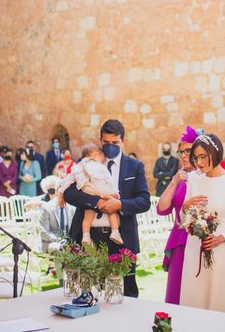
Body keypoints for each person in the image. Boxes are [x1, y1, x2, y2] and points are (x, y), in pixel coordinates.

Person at [64, 119, 151, 297]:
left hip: (122, 238)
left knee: (125, 295)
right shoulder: (86, 163)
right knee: (88, 293)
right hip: (90, 238)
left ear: (123, 141)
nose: (110, 147)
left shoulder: (134, 166)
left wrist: (120, 204)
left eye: (115, 143)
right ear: (100, 139)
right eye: (106, 143)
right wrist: (96, 201)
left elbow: (144, 200)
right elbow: (69, 193)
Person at [179, 133, 225, 313]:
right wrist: (185, 206)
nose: (199, 162)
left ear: (215, 152)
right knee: (193, 297)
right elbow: (183, 216)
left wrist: (221, 237)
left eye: (203, 156)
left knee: (216, 299)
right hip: (194, 248)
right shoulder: (193, 178)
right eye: (195, 158)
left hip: (220, 250)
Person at [157, 125, 201, 304]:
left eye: (188, 151)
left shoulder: (206, 178)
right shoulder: (180, 180)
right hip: (179, 241)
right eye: (180, 151)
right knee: (177, 290)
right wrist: (174, 181)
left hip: (199, 241)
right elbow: (161, 208)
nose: (183, 155)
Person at [68, 143, 123, 246]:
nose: (103, 159)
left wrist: (61, 191)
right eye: (101, 157)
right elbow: (108, 179)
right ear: (94, 154)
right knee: (112, 213)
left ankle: (86, 236)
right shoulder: (100, 166)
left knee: (87, 217)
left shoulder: (78, 166)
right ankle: (115, 232)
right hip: (103, 193)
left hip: (89, 192)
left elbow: (68, 180)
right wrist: (115, 193)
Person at [40, 186, 76, 252]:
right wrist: (60, 240)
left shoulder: (72, 209)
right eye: (61, 193)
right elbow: (43, 232)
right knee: (61, 248)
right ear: (56, 192)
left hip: (69, 242)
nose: (64, 195)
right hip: (51, 242)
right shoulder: (46, 208)